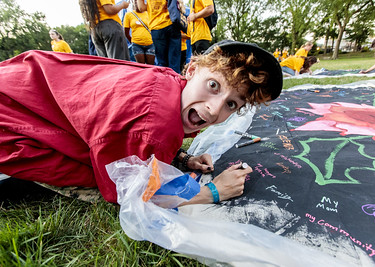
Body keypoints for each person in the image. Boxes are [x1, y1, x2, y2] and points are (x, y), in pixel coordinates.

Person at [0, 40, 283, 205]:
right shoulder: (154, 126)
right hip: (11, 119)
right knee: (92, 179)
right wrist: (212, 192)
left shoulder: (168, 81)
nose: (214, 108)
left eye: (232, 104)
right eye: (213, 85)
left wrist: (183, 158)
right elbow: (134, 196)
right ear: (192, 70)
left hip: (19, 83)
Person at [136, 0, 181, 73]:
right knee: (174, 61)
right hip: (171, 23)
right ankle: (175, 82)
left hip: (156, 27)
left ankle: (164, 82)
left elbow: (141, 8)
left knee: (162, 63)